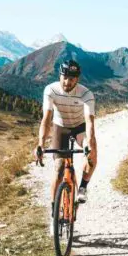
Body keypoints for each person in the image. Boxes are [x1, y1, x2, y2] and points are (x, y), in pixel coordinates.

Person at [34, 60, 97, 231]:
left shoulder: (86, 94)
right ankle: (55, 212)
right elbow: (46, 119)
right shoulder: (51, 90)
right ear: (59, 75)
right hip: (60, 127)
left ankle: (83, 187)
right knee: (59, 167)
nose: (67, 82)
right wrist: (40, 144)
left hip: (79, 127)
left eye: (72, 79)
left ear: (77, 79)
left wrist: (88, 145)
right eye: (65, 77)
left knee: (92, 154)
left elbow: (90, 123)